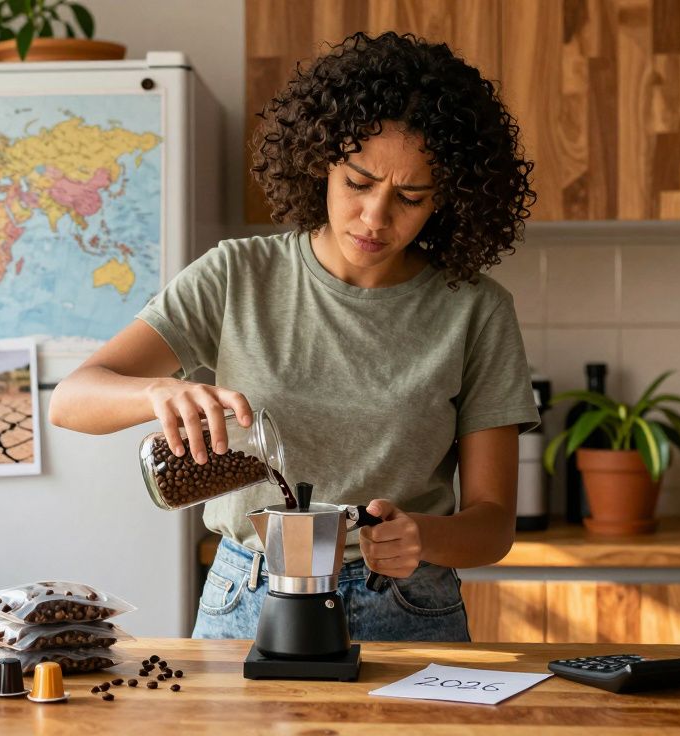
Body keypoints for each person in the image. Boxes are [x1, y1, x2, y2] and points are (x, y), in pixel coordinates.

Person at [48, 31, 539, 641]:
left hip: (406, 606)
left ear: (451, 200)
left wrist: (423, 536)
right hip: (247, 596)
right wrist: (155, 394)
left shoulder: (475, 310)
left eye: (410, 197)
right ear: (321, 159)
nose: (375, 218)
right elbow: (71, 399)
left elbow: (493, 526)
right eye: (358, 183)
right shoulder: (237, 275)